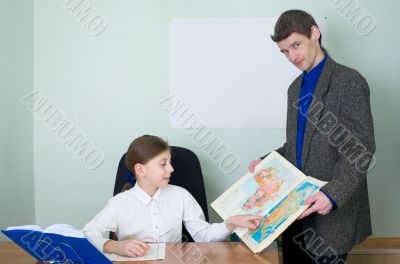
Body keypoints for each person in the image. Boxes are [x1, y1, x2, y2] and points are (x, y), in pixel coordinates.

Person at [248, 10, 375, 263]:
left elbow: (360, 150)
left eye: (296, 45)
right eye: (285, 51)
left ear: (314, 34)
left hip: (331, 214)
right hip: (293, 214)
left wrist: (332, 196)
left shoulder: (349, 81)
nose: (292, 57)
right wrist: (266, 160)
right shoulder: (295, 88)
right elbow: (297, 145)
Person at [84, 135, 266, 258]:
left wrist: (230, 222)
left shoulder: (180, 196)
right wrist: (115, 246)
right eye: (163, 164)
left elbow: (203, 235)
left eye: (169, 162)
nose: (171, 169)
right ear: (140, 170)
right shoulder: (120, 203)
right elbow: (88, 234)